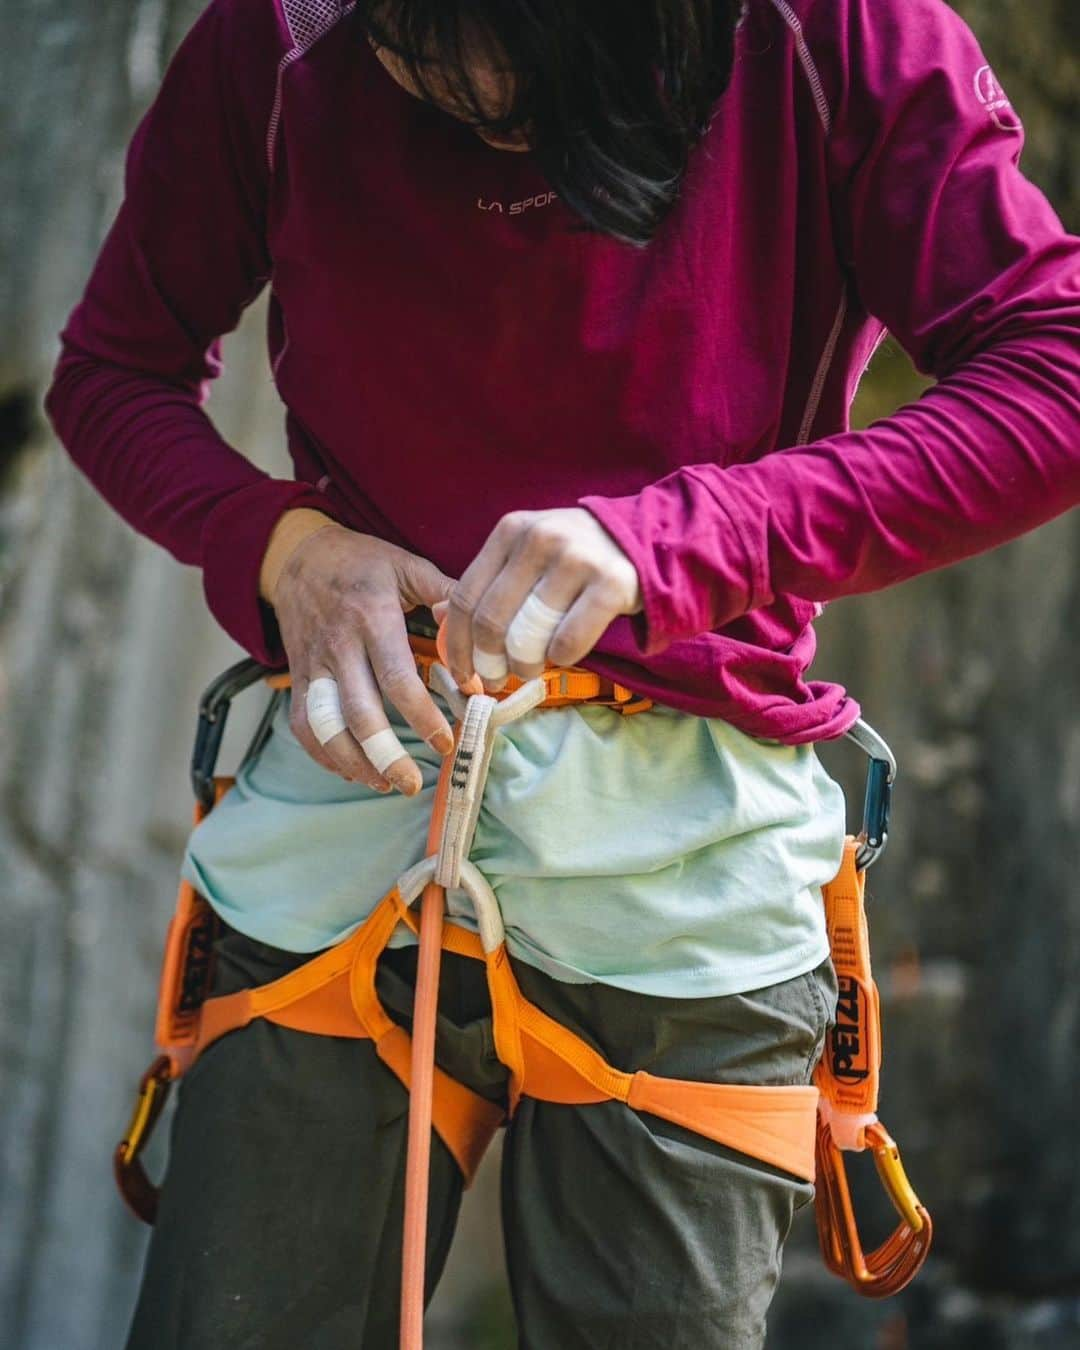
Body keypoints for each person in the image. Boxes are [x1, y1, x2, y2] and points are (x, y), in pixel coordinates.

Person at [44, 0, 1079, 1345]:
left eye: (507, 52)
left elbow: (1054, 372)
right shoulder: (288, 35)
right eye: (417, 45)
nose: (470, 99)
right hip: (353, 819)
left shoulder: (840, 29)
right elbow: (111, 368)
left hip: (689, 849)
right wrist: (287, 550)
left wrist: (689, 538)